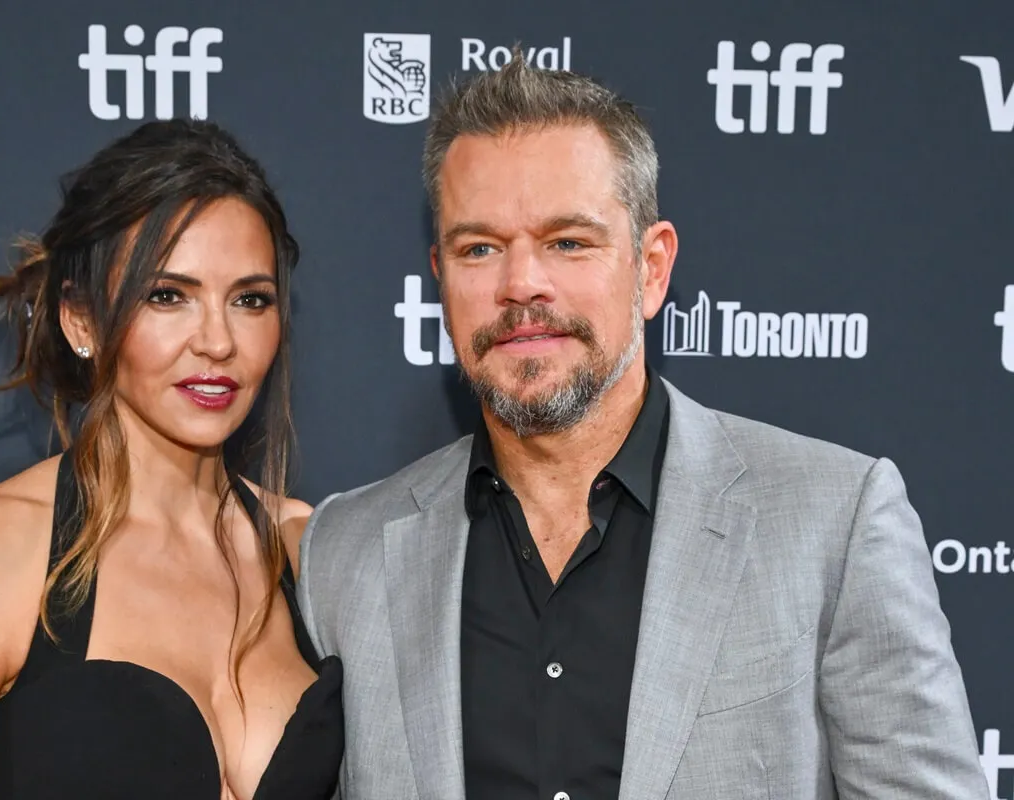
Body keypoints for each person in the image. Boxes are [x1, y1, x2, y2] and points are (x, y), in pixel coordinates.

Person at [296, 52, 989, 800]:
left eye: (567, 241)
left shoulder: (835, 522)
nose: (520, 282)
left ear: (652, 269)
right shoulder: (347, 554)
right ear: (441, 277)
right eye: (480, 249)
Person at [0, 119, 343, 800]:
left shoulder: (309, 552)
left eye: (249, 299)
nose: (217, 340)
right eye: (167, 295)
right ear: (82, 320)